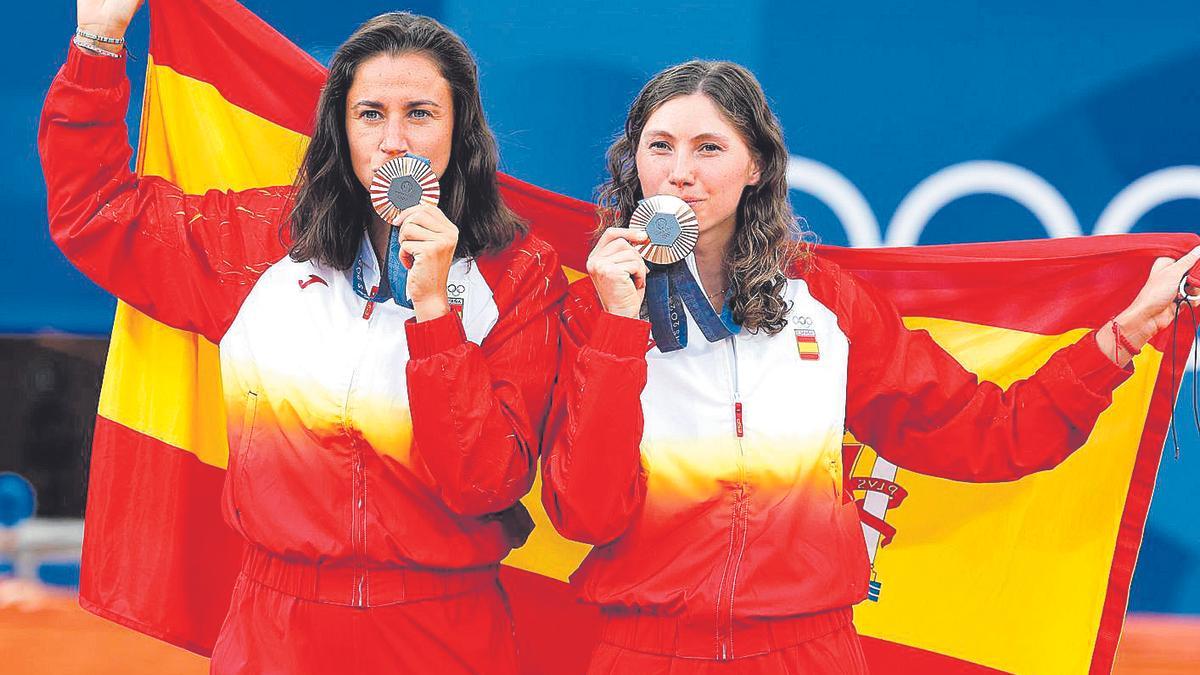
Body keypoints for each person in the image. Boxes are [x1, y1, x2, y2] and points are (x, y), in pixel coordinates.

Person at [541, 59, 1200, 673]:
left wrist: (1122, 336)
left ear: (756, 167)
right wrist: (616, 331)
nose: (680, 171)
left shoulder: (826, 303)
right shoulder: (592, 309)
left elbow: (990, 432)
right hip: (647, 649)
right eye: (660, 146)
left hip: (807, 648)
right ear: (636, 165)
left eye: (708, 147)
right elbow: (585, 514)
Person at [41, 2, 565, 673]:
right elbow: (98, 213)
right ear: (340, 129)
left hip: (443, 630)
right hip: (278, 630)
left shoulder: (519, 271)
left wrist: (435, 311)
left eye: (421, 114)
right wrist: (99, 38)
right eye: (371, 114)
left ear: (461, 130)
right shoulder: (263, 243)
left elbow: (484, 482)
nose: (394, 141)